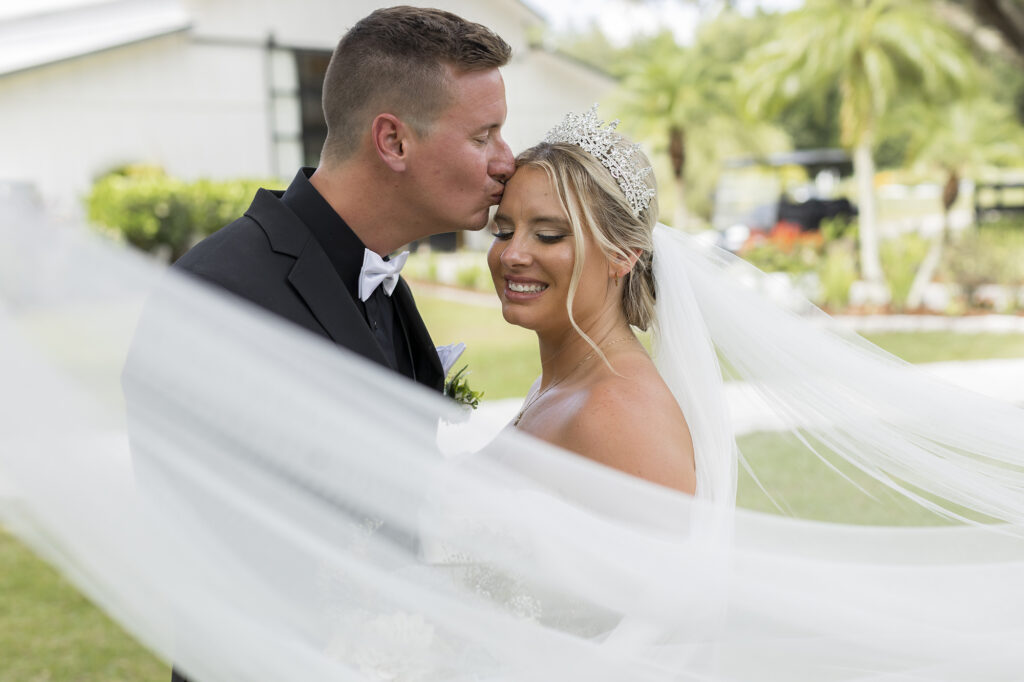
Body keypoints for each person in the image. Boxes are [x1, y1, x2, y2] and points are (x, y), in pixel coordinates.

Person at [171, 6, 514, 392]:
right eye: (482, 138)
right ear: (393, 142)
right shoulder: (214, 295)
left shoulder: (385, 284)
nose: (507, 162)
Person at [486, 109, 701, 495]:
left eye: (548, 235)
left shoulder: (622, 414)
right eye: (503, 232)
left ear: (622, 255)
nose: (511, 254)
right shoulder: (563, 383)